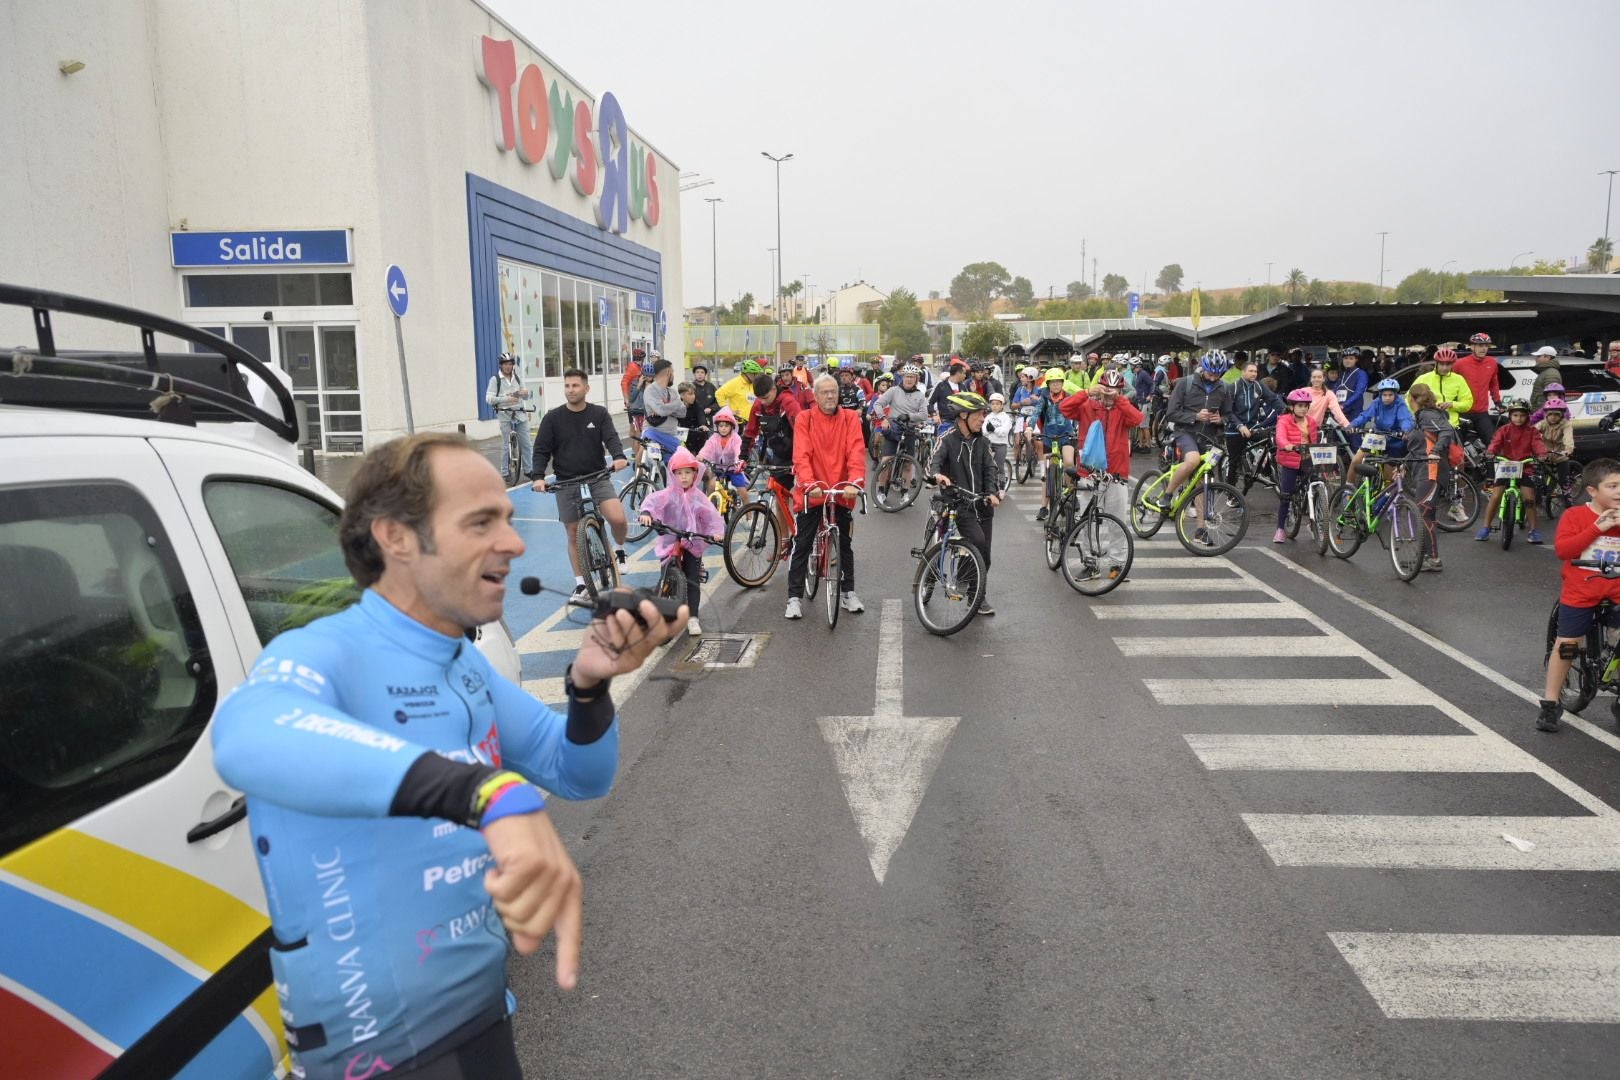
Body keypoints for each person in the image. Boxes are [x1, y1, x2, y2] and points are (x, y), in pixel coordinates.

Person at [212, 431, 683, 1080]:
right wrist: (488, 794)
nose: (515, 543)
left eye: (510, 521)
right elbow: (244, 733)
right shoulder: (327, 652)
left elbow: (580, 773)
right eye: (481, 522)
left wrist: (589, 685)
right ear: (396, 538)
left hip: (482, 1017)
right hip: (379, 1055)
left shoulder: (463, 663)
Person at [530, 368, 631, 599]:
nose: (570, 390)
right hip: (566, 482)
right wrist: (538, 477)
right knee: (573, 532)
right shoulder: (552, 418)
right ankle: (581, 583)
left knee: (617, 517)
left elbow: (612, 438)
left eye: (575, 385)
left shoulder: (599, 414)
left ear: (586, 388)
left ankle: (620, 549)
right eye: (567, 386)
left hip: (597, 477)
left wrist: (618, 456)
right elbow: (541, 451)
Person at [1540, 458, 1620, 731]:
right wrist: (1599, 527)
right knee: (1568, 646)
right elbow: (1565, 550)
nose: (1619, 491)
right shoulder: (1576, 516)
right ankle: (1551, 703)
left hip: (1617, 591)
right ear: (1593, 490)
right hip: (1582, 591)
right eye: (1612, 486)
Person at [785, 375, 866, 620]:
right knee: (803, 543)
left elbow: (855, 451)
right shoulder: (805, 419)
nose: (830, 396)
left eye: (833, 392)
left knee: (844, 545)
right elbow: (802, 455)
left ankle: (848, 593)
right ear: (816, 395)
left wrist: (855, 482)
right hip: (813, 490)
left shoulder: (850, 418)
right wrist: (809, 484)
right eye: (825, 392)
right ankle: (794, 597)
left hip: (840, 489)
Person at [1058, 369, 1141, 576]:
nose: (1109, 395)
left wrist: (1120, 400)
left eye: (1115, 391)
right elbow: (1064, 408)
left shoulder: (1123, 408)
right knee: (1087, 521)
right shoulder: (1089, 405)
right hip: (1089, 473)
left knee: (1117, 521)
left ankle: (1117, 564)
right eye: (1106, 390)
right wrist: (1087, 392)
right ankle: (1090, 563)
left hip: (1116, 473)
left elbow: (1137, 419)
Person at [638, 447, 724, 638]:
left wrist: (716, 533)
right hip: (670, 538)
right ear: (672, 474)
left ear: (695, 474)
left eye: (688, 473)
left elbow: (712, 517)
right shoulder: (667, 494)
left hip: (693, 541)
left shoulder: (699, 497)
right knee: (666, 575)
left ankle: (693, 617)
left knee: (692, 578)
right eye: (679, 473)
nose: (684, 477)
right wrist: (646, 514)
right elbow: (651, 502)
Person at [929, 390, 1002, 615]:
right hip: (958, 502)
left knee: (985, 556)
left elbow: (991, 469)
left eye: (983, 415)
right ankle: (959, 577)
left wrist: (993, 492)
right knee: (977, 541)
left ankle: (976, 597)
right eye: (979, 415)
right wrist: (937, 475)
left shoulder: (982, 442)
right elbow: (934, 461)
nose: (983, 419)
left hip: (982, 503)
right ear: (963, 416)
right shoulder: (948, 438)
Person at [1160, 351, 1237, 541]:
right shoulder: (1184, 383)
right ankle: (1168, 494)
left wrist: (1222, 419)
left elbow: (1229, 414)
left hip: (1208, 437)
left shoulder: (1224, 388)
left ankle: (1201, 531)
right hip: (1185, 432)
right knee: (1192, 460)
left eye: (1217, 374)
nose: (1213, 378)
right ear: (1203, 369)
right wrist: (1194, 416)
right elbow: (1171, 413)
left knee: (1202, 483)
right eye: (1210, 373)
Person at [1476, 398, 1548, 544]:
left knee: (1529, 499)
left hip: (1525, 466)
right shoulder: (1504, 430)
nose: (1518, 418)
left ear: (1527, 416)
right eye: (1515, 415)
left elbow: (1538, 444)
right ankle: (1486, 527)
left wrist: (1542, 454)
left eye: (1522, 415)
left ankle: (1533, 530)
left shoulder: (1532, 431)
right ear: (1510, 416)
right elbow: (1495, 443)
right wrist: (1490, 452)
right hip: (1506, 465)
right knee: (1496, 496)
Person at [1409, 383, 1458, 572]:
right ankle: (1424, 556)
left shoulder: (1428, 415)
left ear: (1413, 399)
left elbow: (1447, 431)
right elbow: (1419, 446)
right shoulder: (1422, 416)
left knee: (1424, 513)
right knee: (1425, 513)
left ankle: (1434, 559)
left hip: (1433, 470)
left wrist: (1436, 451)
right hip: (1424, 470)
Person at [1271, 388, 1319, 543]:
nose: (1303, 409)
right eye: (1300, 406)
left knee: (1317, 486)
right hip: (1290, 459)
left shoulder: (1311, 422)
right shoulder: (1284, 420)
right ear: (1291, 407)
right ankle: (1280, 529)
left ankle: (1314, 520)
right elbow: (1280, 437)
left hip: (1307, 460)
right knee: (1286, 495)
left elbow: (1314, 441)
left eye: (1306, 406)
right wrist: (1288, 445)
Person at [1227, 360, 1285, 485]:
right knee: (1234, 463)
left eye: (1256, 371)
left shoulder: (1259, 386)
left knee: (1271, 439)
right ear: (1243, 372)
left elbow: (1273, 399)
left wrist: (1290, 413)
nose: (1254, 374)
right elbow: (1227, 411)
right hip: (1234, 430)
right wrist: (1240, 426)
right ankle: (1230, 493)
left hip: (1252, 428)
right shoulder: (1234, 387)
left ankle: (1268, 471)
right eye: (1251, 371)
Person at [1033, 367, 1079, 522]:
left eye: (1059, 382)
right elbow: (1035, 413)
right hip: (1048, 437)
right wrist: (1028, 427)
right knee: (1047, 473)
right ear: (1048, 384)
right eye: (1053, 383)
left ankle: (1071, 494)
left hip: (1066, 435)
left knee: (1068, 462)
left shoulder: (1069, 397)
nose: (1056, 385)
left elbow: (1079, 412)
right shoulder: (1043, 398)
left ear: (1062, 383)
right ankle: (1043, 507)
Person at [1351, 378, 1416, 479]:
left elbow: (1405, 419)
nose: (1387, 398)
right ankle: (1347, 488)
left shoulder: (1400, 404)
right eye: (1384, 395)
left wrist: (1406, 431)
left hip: (1394, 440)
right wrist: (1352, 424)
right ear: (1381, 394)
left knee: (1388, 476)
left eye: (1390, 395)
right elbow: (1365, 415)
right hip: (1377, 437)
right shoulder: (1376, 402)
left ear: (1395, 395)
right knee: (1356, 460)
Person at [485, 352, 536, 480]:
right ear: (501, 365)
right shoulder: (495, 379)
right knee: (506, 444)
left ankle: (529, 470)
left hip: (519, 412)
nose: (508, 366)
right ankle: (505, 472)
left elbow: (525, 395)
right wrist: (507, 398)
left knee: (526, 443)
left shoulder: (517, 378)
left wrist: (525, 394)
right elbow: (489, 399)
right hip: (504, 413)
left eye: (510, 364)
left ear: (513, 365)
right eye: (505, 364)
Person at [1453, 332, 1503, 443]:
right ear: (1472, 346)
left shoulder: (1492, 363)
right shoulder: (1459, 364)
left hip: (1481, 412)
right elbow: (1451, 384)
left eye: (1486, 346)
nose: (1484, 349)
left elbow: (1494, 384)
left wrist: (1498, 402)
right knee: (1457, 444)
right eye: (1480, 345)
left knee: (1492, 442)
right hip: (1463, 411)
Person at [1410, 347, 1473, 426]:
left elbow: (1467, 403)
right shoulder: (1423, 378)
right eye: (1442, 364)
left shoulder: (1458, 379)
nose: (1445, 368)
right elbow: (1409, 399)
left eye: (1448, 364)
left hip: (1451, 426)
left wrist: (1452, 404)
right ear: (1436, 363)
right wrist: (1420, 413)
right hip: (1428, 425)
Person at [639, 359, 684, 458]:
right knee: (686, 458)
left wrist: (665, 409)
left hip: (671, 436)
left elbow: (683, 412)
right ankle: (640, 471)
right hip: (654, 433)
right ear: (668, 372)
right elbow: (661, 410)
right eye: (673, 372)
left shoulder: (673, 392)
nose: (673, 375)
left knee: (674, 468)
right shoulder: (650, 390)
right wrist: (677, 402)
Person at [1538, 395, 1577, 498]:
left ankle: (1568, 499)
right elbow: (1531, 433)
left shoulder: (1566, 424)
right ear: (1546, 414)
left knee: (1564, 481)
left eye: (1556, 414)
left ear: (1562, 415)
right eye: (1550, 414)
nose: (1553, 417)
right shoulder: (1543, 424)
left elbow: (1568, 439)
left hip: (1560, 455)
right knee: (1538, 476)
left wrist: (1568, 450)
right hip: (1545, 455)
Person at [716, 359, 765, 425]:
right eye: (755, 374)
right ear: (748, 373)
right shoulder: (735, 383)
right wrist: (727, 410)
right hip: (738, 423)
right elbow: (719, 393)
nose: (757, 377)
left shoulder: (754, 384)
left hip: (752, 422)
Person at [983, 391, 1014, 494]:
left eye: (997, 404)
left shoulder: (1006, 417)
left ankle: (1001, 486)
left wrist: (994, 430)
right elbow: (983, 430)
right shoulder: (988, 417)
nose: (995, 406)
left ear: (1002, 405)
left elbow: (1004, 432)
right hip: (989, 443)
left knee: (999, 465)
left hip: (1000, 445)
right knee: (985, 464)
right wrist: (988, 430)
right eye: (992, 404)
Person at [1530, 345, 1564, 410]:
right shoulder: (1546, 372)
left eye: (1539, 356)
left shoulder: (1551, 373)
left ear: (1547, 357)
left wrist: (1545, 412)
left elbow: (1552, 398)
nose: (1536, 358)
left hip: (1545, 412)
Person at [621, 348, 646, 439]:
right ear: (642, 358)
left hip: (635, 401)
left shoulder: (638, 367)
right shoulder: (633, 367)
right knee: (635, 429)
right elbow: (624, 382)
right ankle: (636, 452)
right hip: (633, 402)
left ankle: (635, 451)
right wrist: (626, 399)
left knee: (634, 428)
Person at [678, 381, 707, 454]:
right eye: (690, 394)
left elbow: (701, 415)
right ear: (682, 396)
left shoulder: (697, 405)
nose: (693, 396)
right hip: (681, 438)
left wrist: (703, 424)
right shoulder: (676, 406)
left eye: (694, 394)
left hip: (696, 437)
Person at [689, 363, 719, 433]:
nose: (700, 374)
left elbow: (718, 402)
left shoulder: (711, 387)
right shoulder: (690, 387)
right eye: (697, 372)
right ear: (694, 374)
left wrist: (711, 408)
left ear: (705, 374)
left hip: (710, 421)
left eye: (702, 372)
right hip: (695, 422)